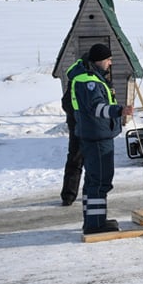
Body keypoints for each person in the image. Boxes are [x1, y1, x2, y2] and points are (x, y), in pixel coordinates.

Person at [70, 43, 133, 235]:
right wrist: (120, 110)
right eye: (108, 59)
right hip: (97, 136)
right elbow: (97, 108)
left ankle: (92, 220)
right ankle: (95, 224)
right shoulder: (89, 82)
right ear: (99, 60)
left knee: (92, 180)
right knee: (100, 180)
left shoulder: (89, 77)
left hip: (94, 134)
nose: (110, 63)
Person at [60, 54, 89, 206]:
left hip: (79, 124)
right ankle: (69, 195)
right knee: (77, 159)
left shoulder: (77, 76)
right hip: (79, 125)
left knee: (76, 160)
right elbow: (66, 103)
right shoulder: (81, 79)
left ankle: (70, 195)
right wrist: (80, 116)